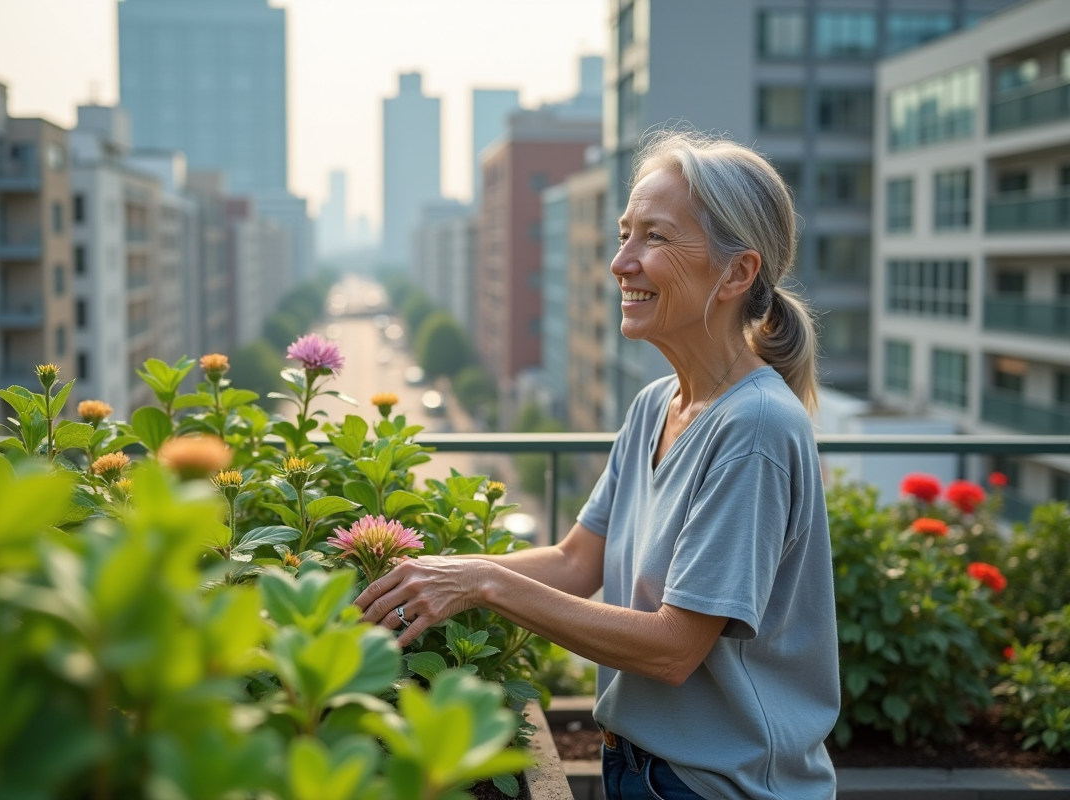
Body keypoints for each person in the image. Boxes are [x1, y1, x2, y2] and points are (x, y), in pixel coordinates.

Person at [356, 130, 840, 800]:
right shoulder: (655, 406)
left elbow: (674, 649)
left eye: (654, 238)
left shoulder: (755, 427)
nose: (620, 262)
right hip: (640, 768)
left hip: (717, 787)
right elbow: (576, 561)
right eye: (623, 234)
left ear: (736, 273)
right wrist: (427, 576)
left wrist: (483, 585)